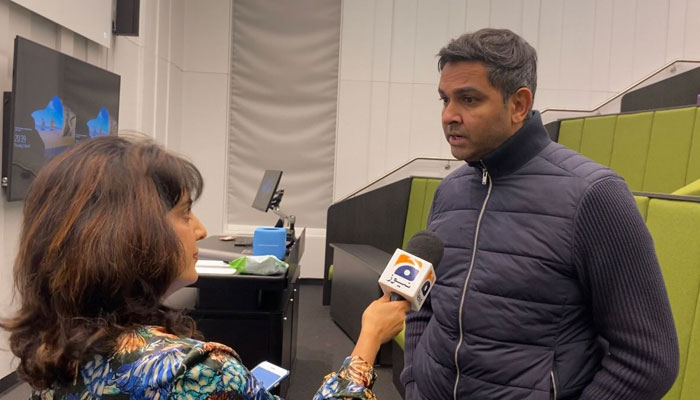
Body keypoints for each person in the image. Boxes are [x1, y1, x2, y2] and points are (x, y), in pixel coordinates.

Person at [1, 135, 409, 400]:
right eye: (184, 214)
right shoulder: (197, 371)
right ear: (132, 234)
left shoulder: (57, 344)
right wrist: (368, 340)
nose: (200, 230)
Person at [401, 28, 679, 400]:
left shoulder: (594, 196)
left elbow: (649, 359)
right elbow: (422, 301)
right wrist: (415, 382)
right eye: (445, 99)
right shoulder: (450, 191)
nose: (449, 115)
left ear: (518, 105)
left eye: (468, 99)